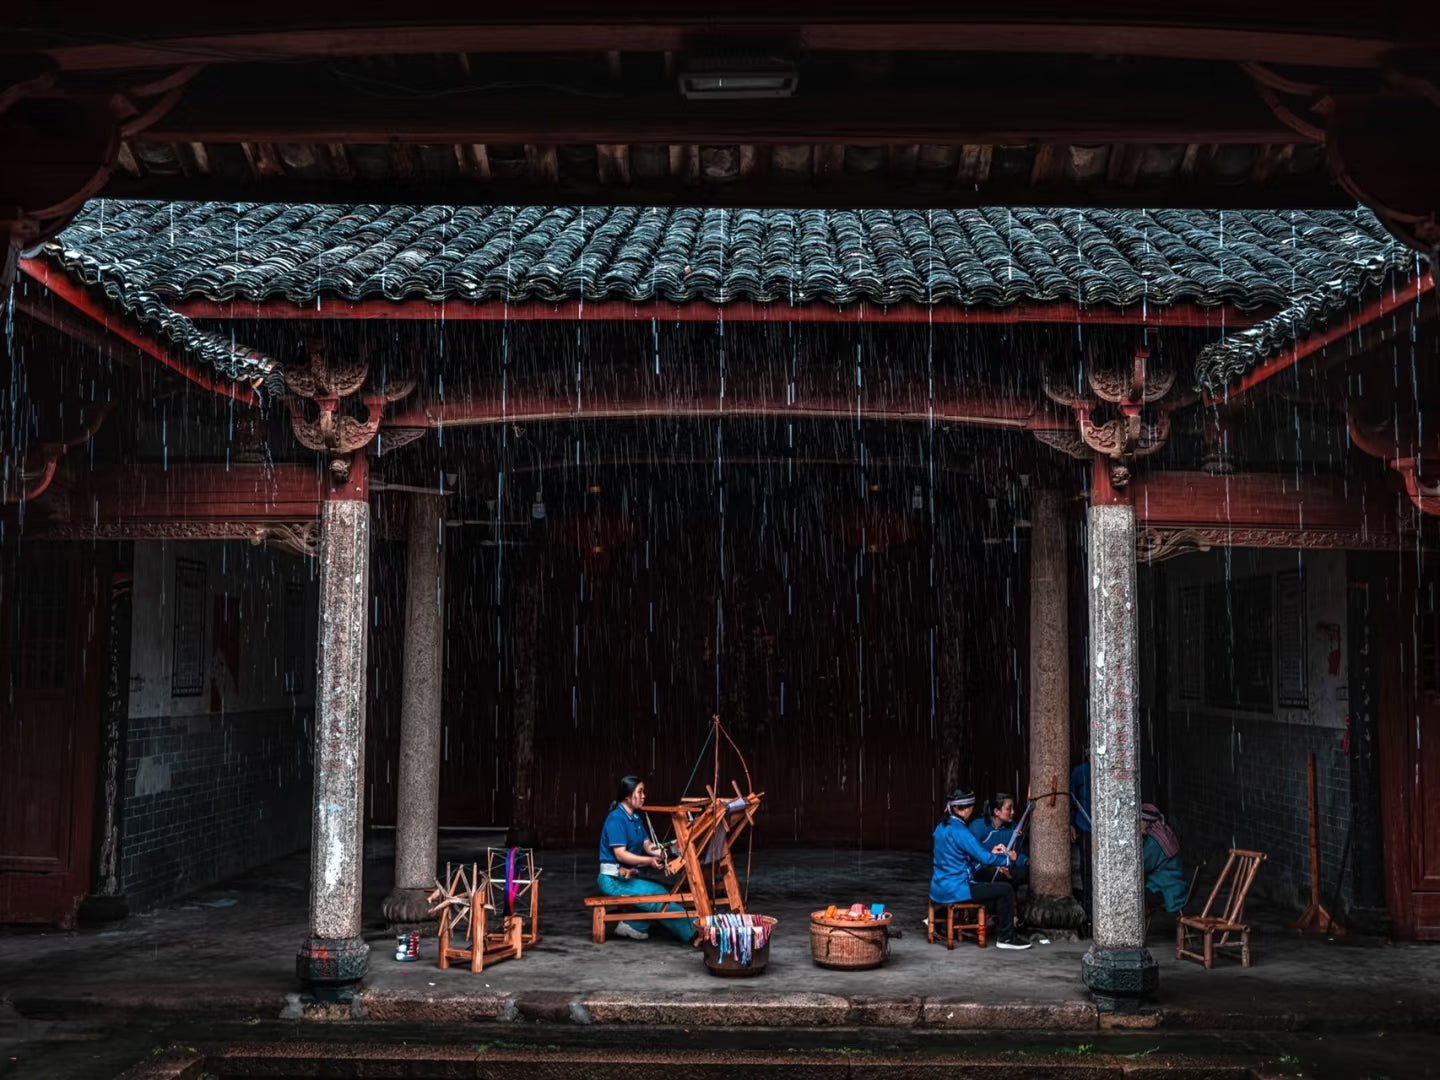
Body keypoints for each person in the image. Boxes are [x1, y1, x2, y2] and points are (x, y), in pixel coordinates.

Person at [596, 775, 695, 943]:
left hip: (627, 877)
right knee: (658, 895)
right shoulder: (616, 819)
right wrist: (649, 861)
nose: (644, 796)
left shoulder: (635, 819)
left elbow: (648, 845)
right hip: (612, 880)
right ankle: (693, 931)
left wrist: (663, 851)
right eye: (640, 792)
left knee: (658, 892)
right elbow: (621, 854)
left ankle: (633, 925)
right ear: (627, 796)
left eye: (643, 792)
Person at [930, 786, 1032, 950]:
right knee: (1005, 889)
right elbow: (984, 858)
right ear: (965, 809)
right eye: (971, 807)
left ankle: (940, 916)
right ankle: (1006, 938)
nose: (972, 811)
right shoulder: (961, 831)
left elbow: (957, 855)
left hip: (938, 887)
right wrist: (1007, 858)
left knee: (994, 891)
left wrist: (990, 852)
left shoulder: (941, 827)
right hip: (957, 888)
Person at [969, 792, 1030, 891]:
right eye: (1008, 808)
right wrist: (995, 865)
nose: (1013, 812)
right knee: (996, 874)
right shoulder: (979, 826)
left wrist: (1026, 861)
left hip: (1005, 868)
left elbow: (1014, 855)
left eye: (1013, 808)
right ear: (997, 811)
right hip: (982, 869)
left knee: (1028, 873)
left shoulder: (1013, 827)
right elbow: (971, 855)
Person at [1141, 803, 1188, 915]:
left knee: (1134, 895)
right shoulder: (1164, 834)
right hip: (1177, 885)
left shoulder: (1154, 842)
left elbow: (1142, 866)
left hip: (1166, 888)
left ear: (1146, 822)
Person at [1070, 755, 1092, 912]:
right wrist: (1070, 823)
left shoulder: (1105, 768)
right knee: (1086, 864)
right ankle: (1087, 900)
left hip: (1103, 826)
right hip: (1085, 824)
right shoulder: (1080, 771)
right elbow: (1071, 798)